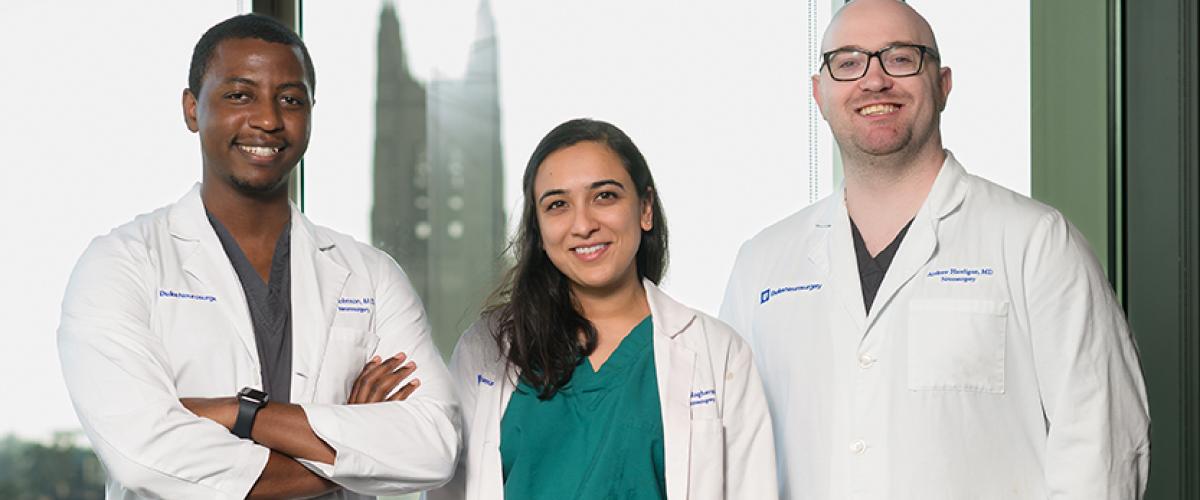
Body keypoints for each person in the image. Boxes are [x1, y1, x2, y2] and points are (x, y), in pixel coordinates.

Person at [719, 1, 1150, 498]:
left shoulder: (1037, 244)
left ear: (942, 84)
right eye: (848, 61)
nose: (874, 80)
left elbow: (1103, 450)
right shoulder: (761, 265)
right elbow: (725, 450)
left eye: (901, 58)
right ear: (819, 93)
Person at [57, 14, 458, 499]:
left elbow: (434, 447)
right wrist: (361, 451)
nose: (268, 119)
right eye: (239, 95)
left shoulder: (371, 277)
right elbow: (144, 458)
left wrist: (243, 413)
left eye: (290, 99)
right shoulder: (119, 265)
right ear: (191, 109)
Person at [428, 118, 776, 500]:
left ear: (645, 210)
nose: (583, 224)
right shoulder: (486, 351)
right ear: (539, 232)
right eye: (558, 205)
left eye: (604, 196)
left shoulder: (718, 354)